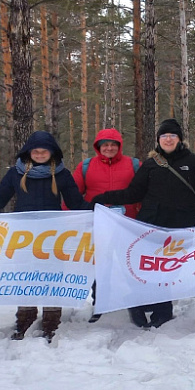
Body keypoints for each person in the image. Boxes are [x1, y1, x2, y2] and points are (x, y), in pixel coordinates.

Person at [92, 118, 195, 329]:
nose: (168, 139)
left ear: (179, 139)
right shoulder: (150, 164)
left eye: (172, 136)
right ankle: (138, 306)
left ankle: (162, 312)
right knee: (146, 268)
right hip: (149, 225)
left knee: (168, 270)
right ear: (158, 140)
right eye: (164, 136)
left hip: (179, 227)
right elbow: (133, 193)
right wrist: (102, 198)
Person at [0, 131, 88, 341]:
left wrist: (101, 211)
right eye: (35, 151)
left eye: (44, 151)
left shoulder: (62, 175)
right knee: (26, 278)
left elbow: (77, 204)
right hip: (23, 238)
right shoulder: (15, 174)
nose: (39, 154)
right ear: (28, 152)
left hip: (53, 238)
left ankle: (51, 323)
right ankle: (25, 320)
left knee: (52, 279)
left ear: (52, 152)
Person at [72, 128, 141, 322]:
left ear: (119, 146)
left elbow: (145, 191)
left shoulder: (133, 165)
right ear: (98, 147)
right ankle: (100, 304)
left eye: (113, 144)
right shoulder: (86, 166)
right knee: (101, 265)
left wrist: (145, 215)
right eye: (105, 144)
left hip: (128, 223)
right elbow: (73, 194)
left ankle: (137, 305)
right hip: (98, 223)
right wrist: (69, 217)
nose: (109, 148)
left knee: (131, 264)